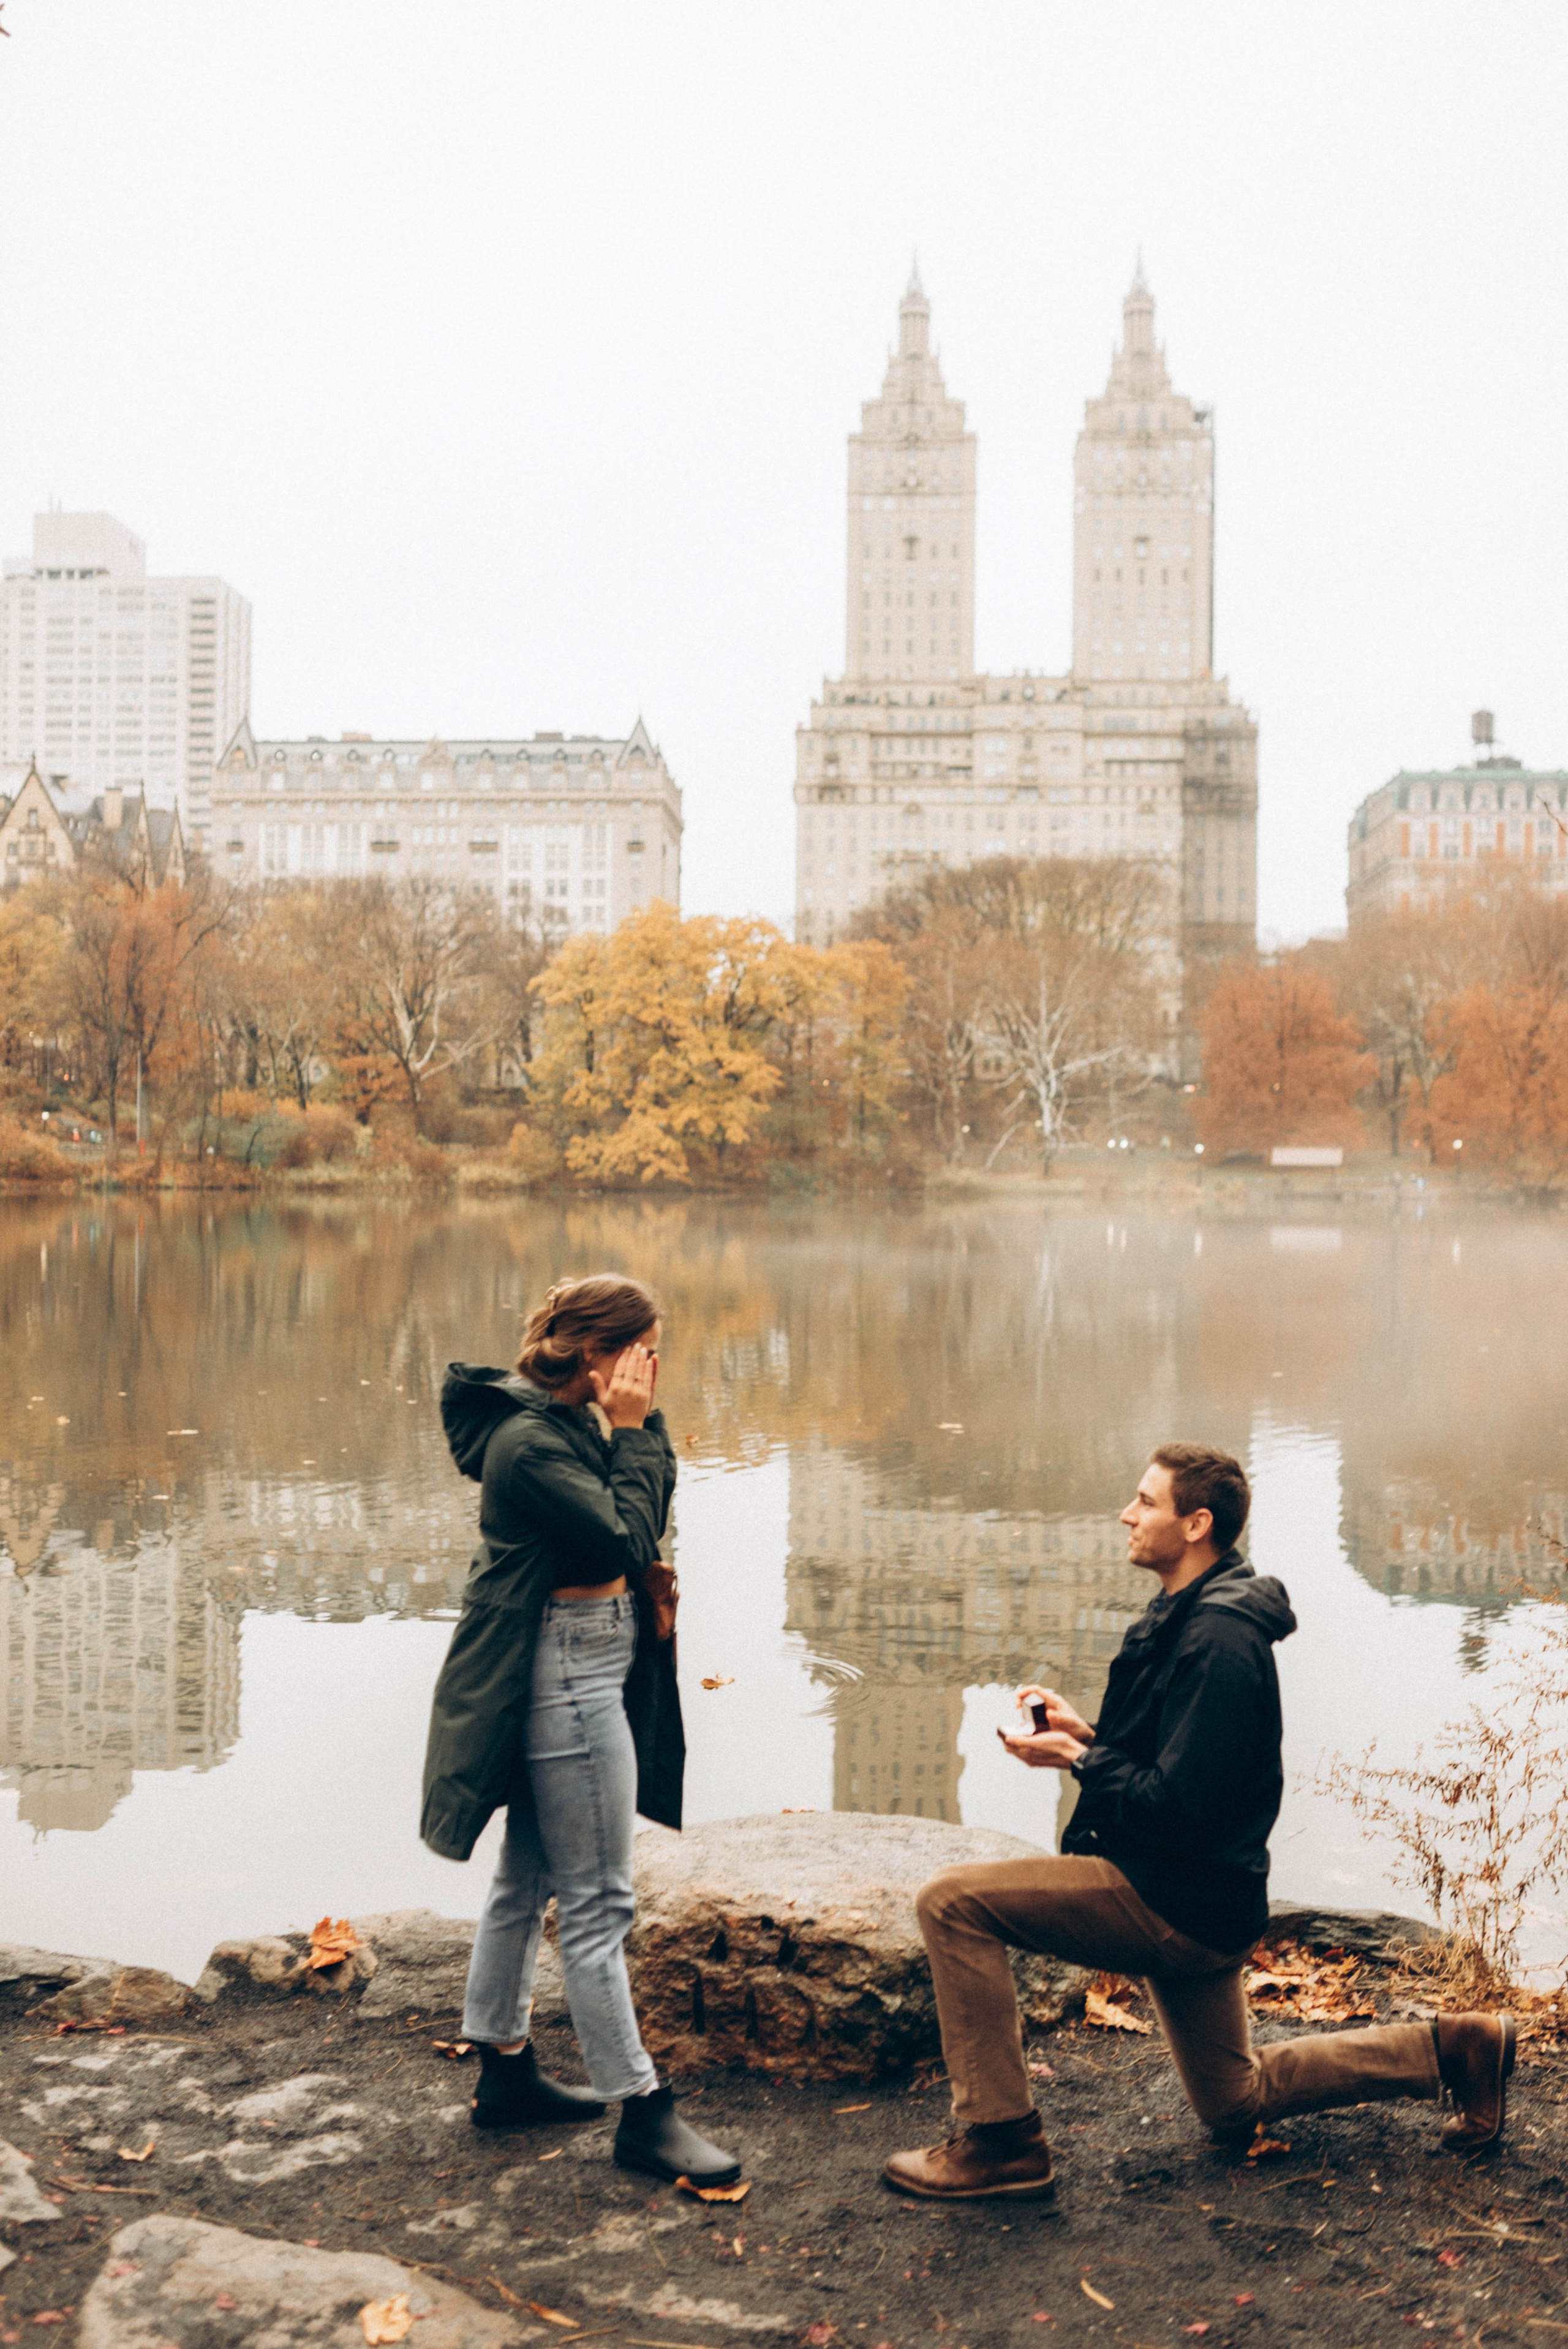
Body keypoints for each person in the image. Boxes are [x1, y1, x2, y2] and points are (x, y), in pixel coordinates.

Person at [884, 1442, 1515, 2200]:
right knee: (1233, 2103)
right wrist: (1086, 1740)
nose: (1127, 1512)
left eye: (1145, 1502)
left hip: (1171, 1898)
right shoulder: (1198, 1610)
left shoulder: (1219, 1640)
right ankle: (1458, 2048)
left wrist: (1081, 1765)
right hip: (1204, 1893)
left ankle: (1000, 2142)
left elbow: (1181, 1805)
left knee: (952, 1903)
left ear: (1196, 1524)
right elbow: (1180, 1765)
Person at [421, 1273, 739, 2187]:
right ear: (598, 1352)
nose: (654, 1366)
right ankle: (642, 2113)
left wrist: (639, 1427)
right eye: (645, 1350)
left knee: (526, 1873)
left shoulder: (564, 1422)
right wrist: (635, 1430)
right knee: (600, 1903)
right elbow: (622, 1539)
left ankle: (506, 2073)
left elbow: (640, 1511)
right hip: (566, 1671)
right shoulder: (529, 1442)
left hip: (577, 1657)